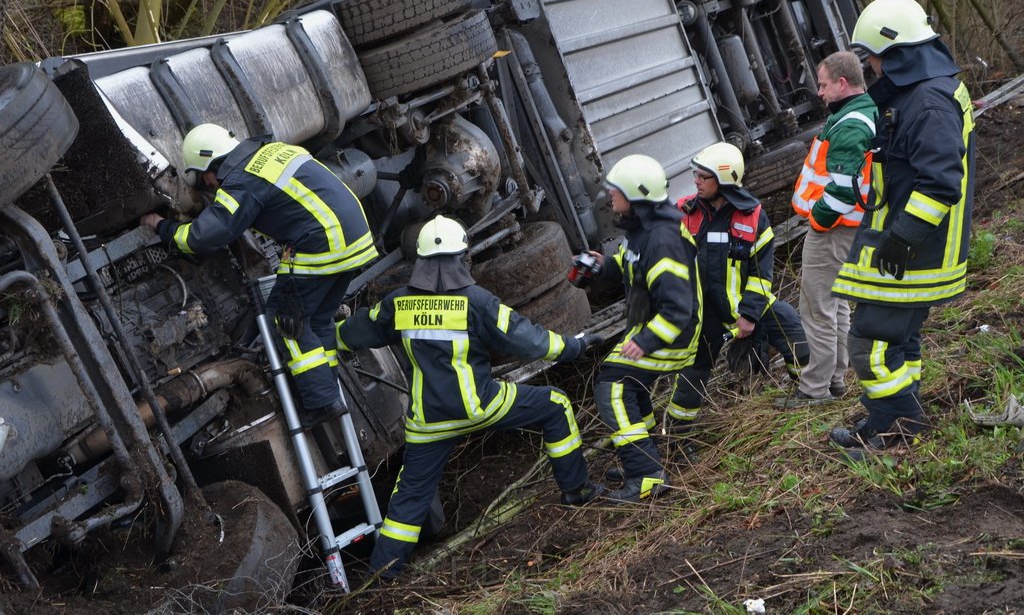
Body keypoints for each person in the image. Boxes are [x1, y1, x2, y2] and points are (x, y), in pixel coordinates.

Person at [335, 215, 605, 578]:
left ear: (420, 261)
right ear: (463, 256)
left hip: (429, 423)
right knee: (554, 404)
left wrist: (313, 337)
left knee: (410, 497)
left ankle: (383, 574)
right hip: (482, 406)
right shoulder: (477, 301)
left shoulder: (398, 303)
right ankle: (576, 491)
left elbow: (351, 333)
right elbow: (528, 339)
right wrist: (575, 347)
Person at [141, 124, 378, 427]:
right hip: (354, 239)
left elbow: (203, 236)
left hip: (324, 244)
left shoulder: (242, 180)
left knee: (286, 317)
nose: (209, 185)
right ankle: (327, 389)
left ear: (210, 165)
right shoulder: (276, 151)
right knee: (317, 321)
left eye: (204, 178)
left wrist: (163, 227)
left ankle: (320, 403)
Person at [829, 0, 975, 455]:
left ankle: (900, 425)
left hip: (916, 249)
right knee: (901, 339)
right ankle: (888, 415)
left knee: (868, 342)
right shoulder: (929, 89)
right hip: (916, 246)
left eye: (872, 57)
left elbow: (939, 184)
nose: (870, 68)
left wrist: (902, 238)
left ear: (895, 53)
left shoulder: (928, 102)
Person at [583, 154, 702, 502]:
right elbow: (631, 267)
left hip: (672, 335)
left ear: (635, 196)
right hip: (651, 329)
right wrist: (602, 266)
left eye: (615, 191)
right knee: (629, 384)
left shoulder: (663, 241)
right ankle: (646, 454)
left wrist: (647, 341)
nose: (609, 197)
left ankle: (647, 474)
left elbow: (678, 309)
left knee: (612, 387)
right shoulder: (641, 232)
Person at [671, 142, 810, 420]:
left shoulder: (754, 216)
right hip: (704, 312)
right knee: (694, 369)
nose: (696, 181)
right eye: (695, 174)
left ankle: (806, 395)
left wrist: (748, 315)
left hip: (748, 306)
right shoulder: (684, 213)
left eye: (703, 176)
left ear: (724, 179)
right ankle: (678, 434)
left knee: (792, 331)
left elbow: (761, 275)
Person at [790, 51, 878, 402]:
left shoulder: (852, 123)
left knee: (815, 307)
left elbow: (843, 189)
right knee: (835, 303)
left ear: (843, 83)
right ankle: (836, 378)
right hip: (845, 228)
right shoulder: (858, 113)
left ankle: (814, 389)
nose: (820, 92)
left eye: (824, 85)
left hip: (834, 229)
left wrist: (819, 220)